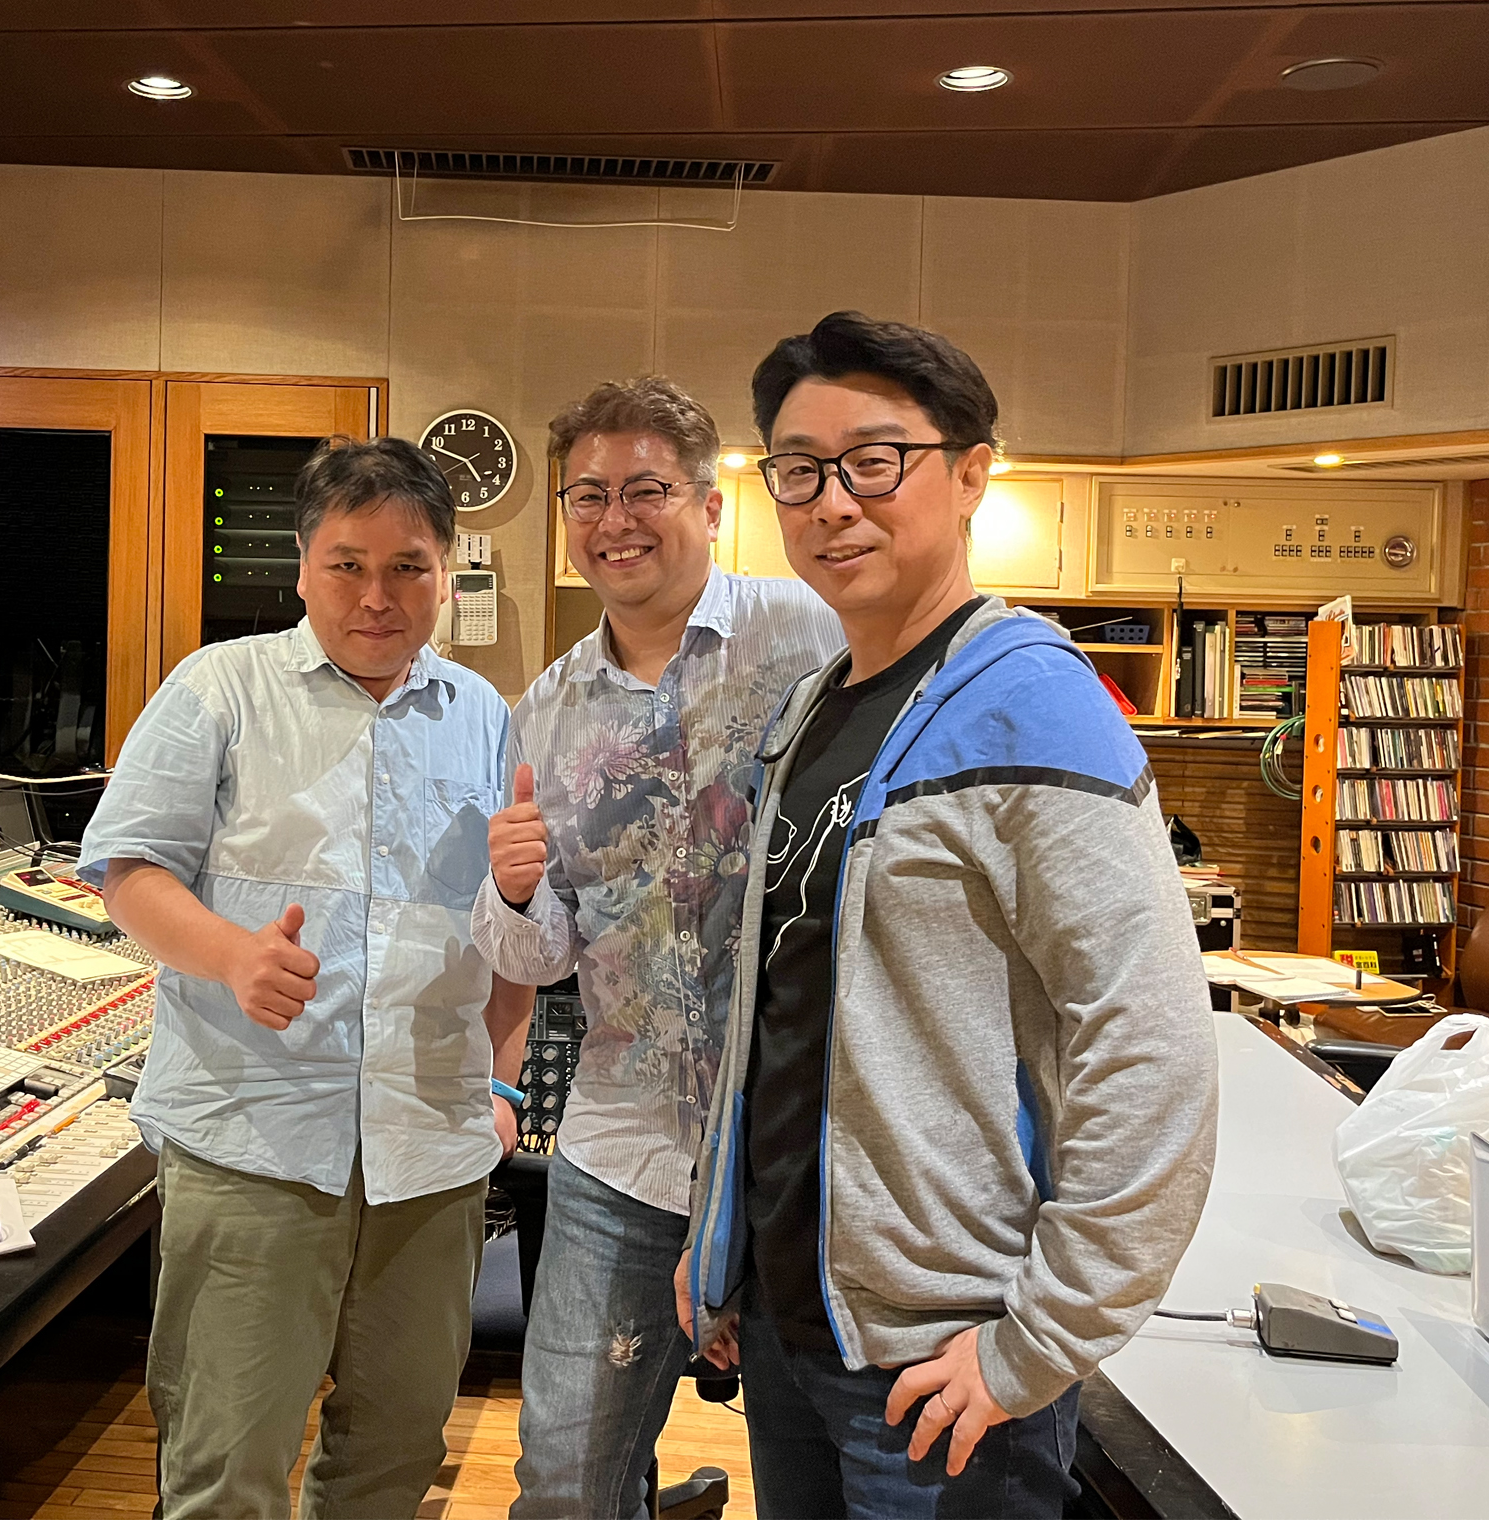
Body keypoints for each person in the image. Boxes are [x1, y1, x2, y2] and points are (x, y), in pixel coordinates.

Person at [676, 313, 1220, 1517]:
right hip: (792, 1324)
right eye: (799, 469)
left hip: (942, 1362)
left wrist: (1041, 1339)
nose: (832, 503)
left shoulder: (1032, 703)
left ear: (971, 473)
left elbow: (1150, 1044)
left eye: (874, 462)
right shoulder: (818, 705)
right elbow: (779, 1013)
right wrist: (721, 1242)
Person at [78, 435, 533, 1520]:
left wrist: (502, 1086)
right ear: (301, 567)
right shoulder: (218, 688)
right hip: (254, 1138)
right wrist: (232, 955)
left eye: (407, 567)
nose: (377, 596)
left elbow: (505, 935)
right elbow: (128, 870)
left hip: (430, 1149)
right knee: (226, 1465)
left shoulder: (484, 715)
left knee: (395, 1451)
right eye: (348, 565)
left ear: (446, 571)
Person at [472, 377, 842, 1518]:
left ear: (710, 503)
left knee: (816, 1481)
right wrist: (512, 888)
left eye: (646, 490)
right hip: (625, 1143)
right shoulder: (544, 712)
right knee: (567, 1479)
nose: (614, 519)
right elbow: (538, 958)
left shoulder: (815, 637)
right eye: (588, 495)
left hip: (805, 1146)